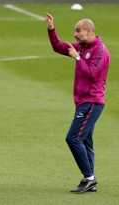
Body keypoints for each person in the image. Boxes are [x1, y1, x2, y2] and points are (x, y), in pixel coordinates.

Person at [46, 13, 110, 193]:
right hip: (83, 102)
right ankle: (91, 180)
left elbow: (92, 74)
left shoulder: (100, 51)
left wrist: (77, 58)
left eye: (78, 31)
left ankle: (89, 178)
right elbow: (58, 47)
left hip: (92, 102)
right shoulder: (82, 47)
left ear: (89, 31)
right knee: (86, 141)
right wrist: (51, 30)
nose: (75, 34)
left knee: (73, 138)